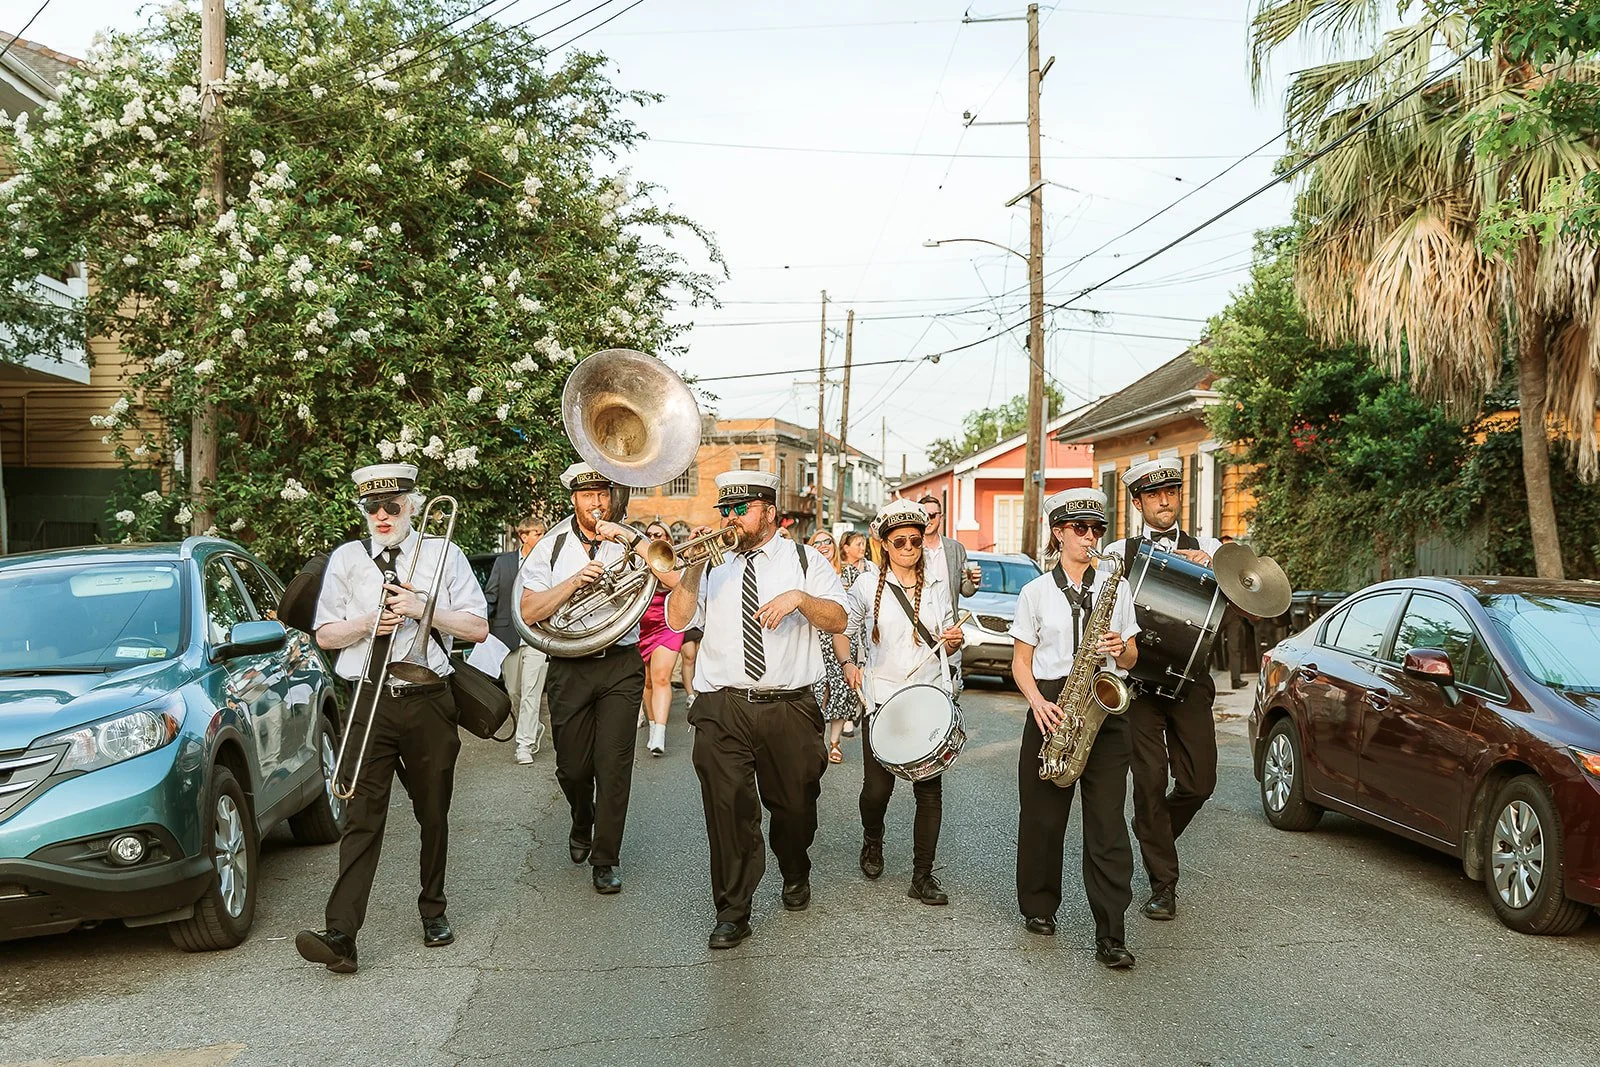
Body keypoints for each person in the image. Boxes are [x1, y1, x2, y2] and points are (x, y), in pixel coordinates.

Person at [295, 463, 489, 974]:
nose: (382, 516)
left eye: (392, 506)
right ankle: (341, 935)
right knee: (361, 816)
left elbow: (477, 627)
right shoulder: (347, 559)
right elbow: (325, 634)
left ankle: (433, 909)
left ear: (412, 507)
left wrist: (422, 608)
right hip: (369, 699)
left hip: (428, 699)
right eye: (372, 508)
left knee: (433, 811)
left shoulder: (443, 553)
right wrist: (366, 623)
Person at [666, 470, 848, 950]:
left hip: (789, 706)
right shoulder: (713, 566)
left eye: (739, 510)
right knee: (728, 810)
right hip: (722, 706)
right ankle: (732, 911)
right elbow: (678, 620)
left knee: (795, 806)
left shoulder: (805, 560)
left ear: (769, 512)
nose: (729, 518)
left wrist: (800, 599)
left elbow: (839, 618)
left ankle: (794, 865)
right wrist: (693, 570)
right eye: (724, 510)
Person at [1010, 487, 1140, 969]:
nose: (1090, 537)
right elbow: (1020, 662)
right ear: (1059, 533)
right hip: (1053, 702)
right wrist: (1038, 703)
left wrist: (1120, 648)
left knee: (1107, 825)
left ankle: (1112, 931)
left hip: (1103, 703)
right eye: (1080, 529)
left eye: (1097, 529)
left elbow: (1132, 656)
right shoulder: (1035, 593)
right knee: (1043, 818)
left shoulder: (1116, 587)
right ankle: (1039, 906)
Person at [518, 462, 662, 895]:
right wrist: (573, 583)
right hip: (570, 664)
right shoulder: (551, 546)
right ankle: (582, 818)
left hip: (620, 664)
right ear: (574, 499)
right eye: (588, 496)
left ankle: (606, 858)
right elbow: (528, 610)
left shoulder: (629, 539)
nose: (597, 503)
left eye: (603, 494)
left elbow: (670, 576)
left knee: (614, 767)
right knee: (572, 768)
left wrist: (630, 539)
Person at [1105, 457, 1223, 923]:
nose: (1164, 501)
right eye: (1153, 495)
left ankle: (1152, 830)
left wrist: (1215, 566)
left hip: (1191, 682)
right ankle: (1163, 885)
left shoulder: (1209, 547)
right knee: (1150, 781)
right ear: (1137, 503)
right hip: (1139, 685)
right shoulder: (1119, 551)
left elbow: (1247, 594)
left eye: (1171, 492)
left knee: (1200, 783)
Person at [840, 500, 964, 905]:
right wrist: (848, 665)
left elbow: (948, 635)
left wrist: (953, 640)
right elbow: (842, 628)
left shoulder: (936, 584)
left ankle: (922, 875)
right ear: (885, 545)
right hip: (883, 701)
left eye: (915, 540)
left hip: (928, 697)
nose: (909, 547)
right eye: (900, 542)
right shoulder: (865, 585)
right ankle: (872, 838)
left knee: (929, 792)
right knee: (877, 791)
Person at [487, 518, 550, 764]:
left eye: (543, 533)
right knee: (514, 692)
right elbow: (491, 596)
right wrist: (482, 628)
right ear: (523, 536)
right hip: (508, 637)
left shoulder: (549, 563)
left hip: (537, 637)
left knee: (531, 693)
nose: (542, 538)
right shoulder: (503, 562)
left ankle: (524, 745)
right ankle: (533, 727)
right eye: (538, 533)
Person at [916, 495, 979, 689]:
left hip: (948, 630)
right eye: (924, 516)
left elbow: (965, 590)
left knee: (952, 687)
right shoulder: (912, 548)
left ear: (940, 517)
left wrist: (973, 582)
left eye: (932, 515)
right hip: (920, 630)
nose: (928, 520)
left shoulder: (955, 549)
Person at [809, 530, 859, 763]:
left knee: (841, 690)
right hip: (815, 639)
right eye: (816, 543)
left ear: (834, 545)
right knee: (818, 690)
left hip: (844, 637)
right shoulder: (808, 574)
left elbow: (860, 608)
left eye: (827, 541)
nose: (823, 546)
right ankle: (816, 739)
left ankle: (835, 742)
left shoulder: (849, 573)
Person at [637, 521, 684, 755]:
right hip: (642, 624)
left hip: (668, 622)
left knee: (662, 678)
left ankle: (660, 734)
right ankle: (653, 724)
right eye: (649, 534)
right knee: (647, 682)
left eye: (658, 534)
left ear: (667, 538)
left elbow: (675, 583)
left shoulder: (676, 560)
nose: (653, 537)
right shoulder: (636, 560)